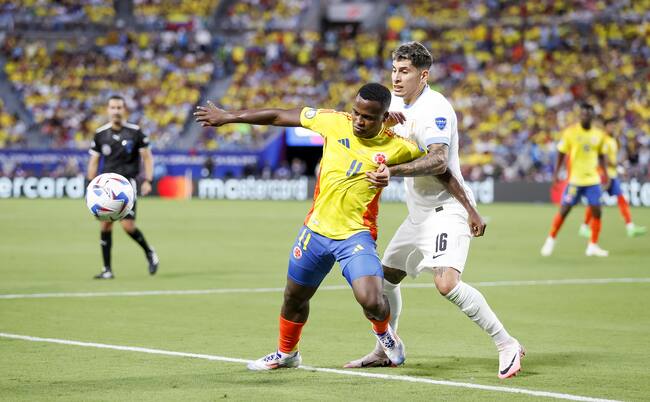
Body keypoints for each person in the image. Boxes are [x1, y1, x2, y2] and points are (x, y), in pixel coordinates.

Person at [194, 83, 425, 370]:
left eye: (368, 117)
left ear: (384, 117)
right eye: (356, 112)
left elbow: (437, 163)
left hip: (355, 235)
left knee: (372, 300)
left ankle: (385, 335)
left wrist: (396, 171)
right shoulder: (334, 122)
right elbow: (278, 115)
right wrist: (229, 116)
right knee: (294, 297)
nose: (358, 121)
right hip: (314, 232)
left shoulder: (399, 146)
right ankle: (287, 354)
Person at [346, 42, 524, 380]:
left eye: (405, 71)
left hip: (447, 209)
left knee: (446, 284)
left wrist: (393, 172)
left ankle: (507, 343)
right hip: (418, 214)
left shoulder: (435, 108)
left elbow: (439, 161)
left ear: (423, 75)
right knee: (384, 280)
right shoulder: (393, 103)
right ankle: (385, 349)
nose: (396, 78)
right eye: (394, 70)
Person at [87, 95, 159, 279]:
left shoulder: (135, 132)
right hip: (106, 186)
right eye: (113, 107)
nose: (116, 111)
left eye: (119, 107)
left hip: (127, 186)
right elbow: (94, 161)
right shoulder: (100, 134)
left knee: (127, 226)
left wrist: (148, 180)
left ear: (124, 109)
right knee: (105, 225)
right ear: (108, 110)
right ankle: (107, 270)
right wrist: (90, 185)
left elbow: (147, 157)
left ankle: (149, 252)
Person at [541, 102, 609, 257]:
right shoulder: (570, 132)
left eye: (588, 114)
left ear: (592, 116)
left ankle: (593, 245)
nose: (585, 116)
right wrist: (556, 173)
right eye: (583, 114)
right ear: (580, 115)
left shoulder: (599, 134)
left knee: (597, 211)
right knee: (565, 210)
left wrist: (606, 174)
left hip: (592, 180)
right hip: (575, 180)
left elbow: (601, 155)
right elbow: (561, 152)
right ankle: (551, 239)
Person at [579, 118, 646, 238]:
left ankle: (630, 227)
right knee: (595, 201)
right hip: (604, 176)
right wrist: (616, 167)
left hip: (612, 175)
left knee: (621, 199)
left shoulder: (613, 140)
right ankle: (584, 227)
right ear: (605, 127)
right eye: (610, 125)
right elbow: (603, 158)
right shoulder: (604, 139)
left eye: (614, 125)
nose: (613, 127)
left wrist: (618, 168)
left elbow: (613, 157)